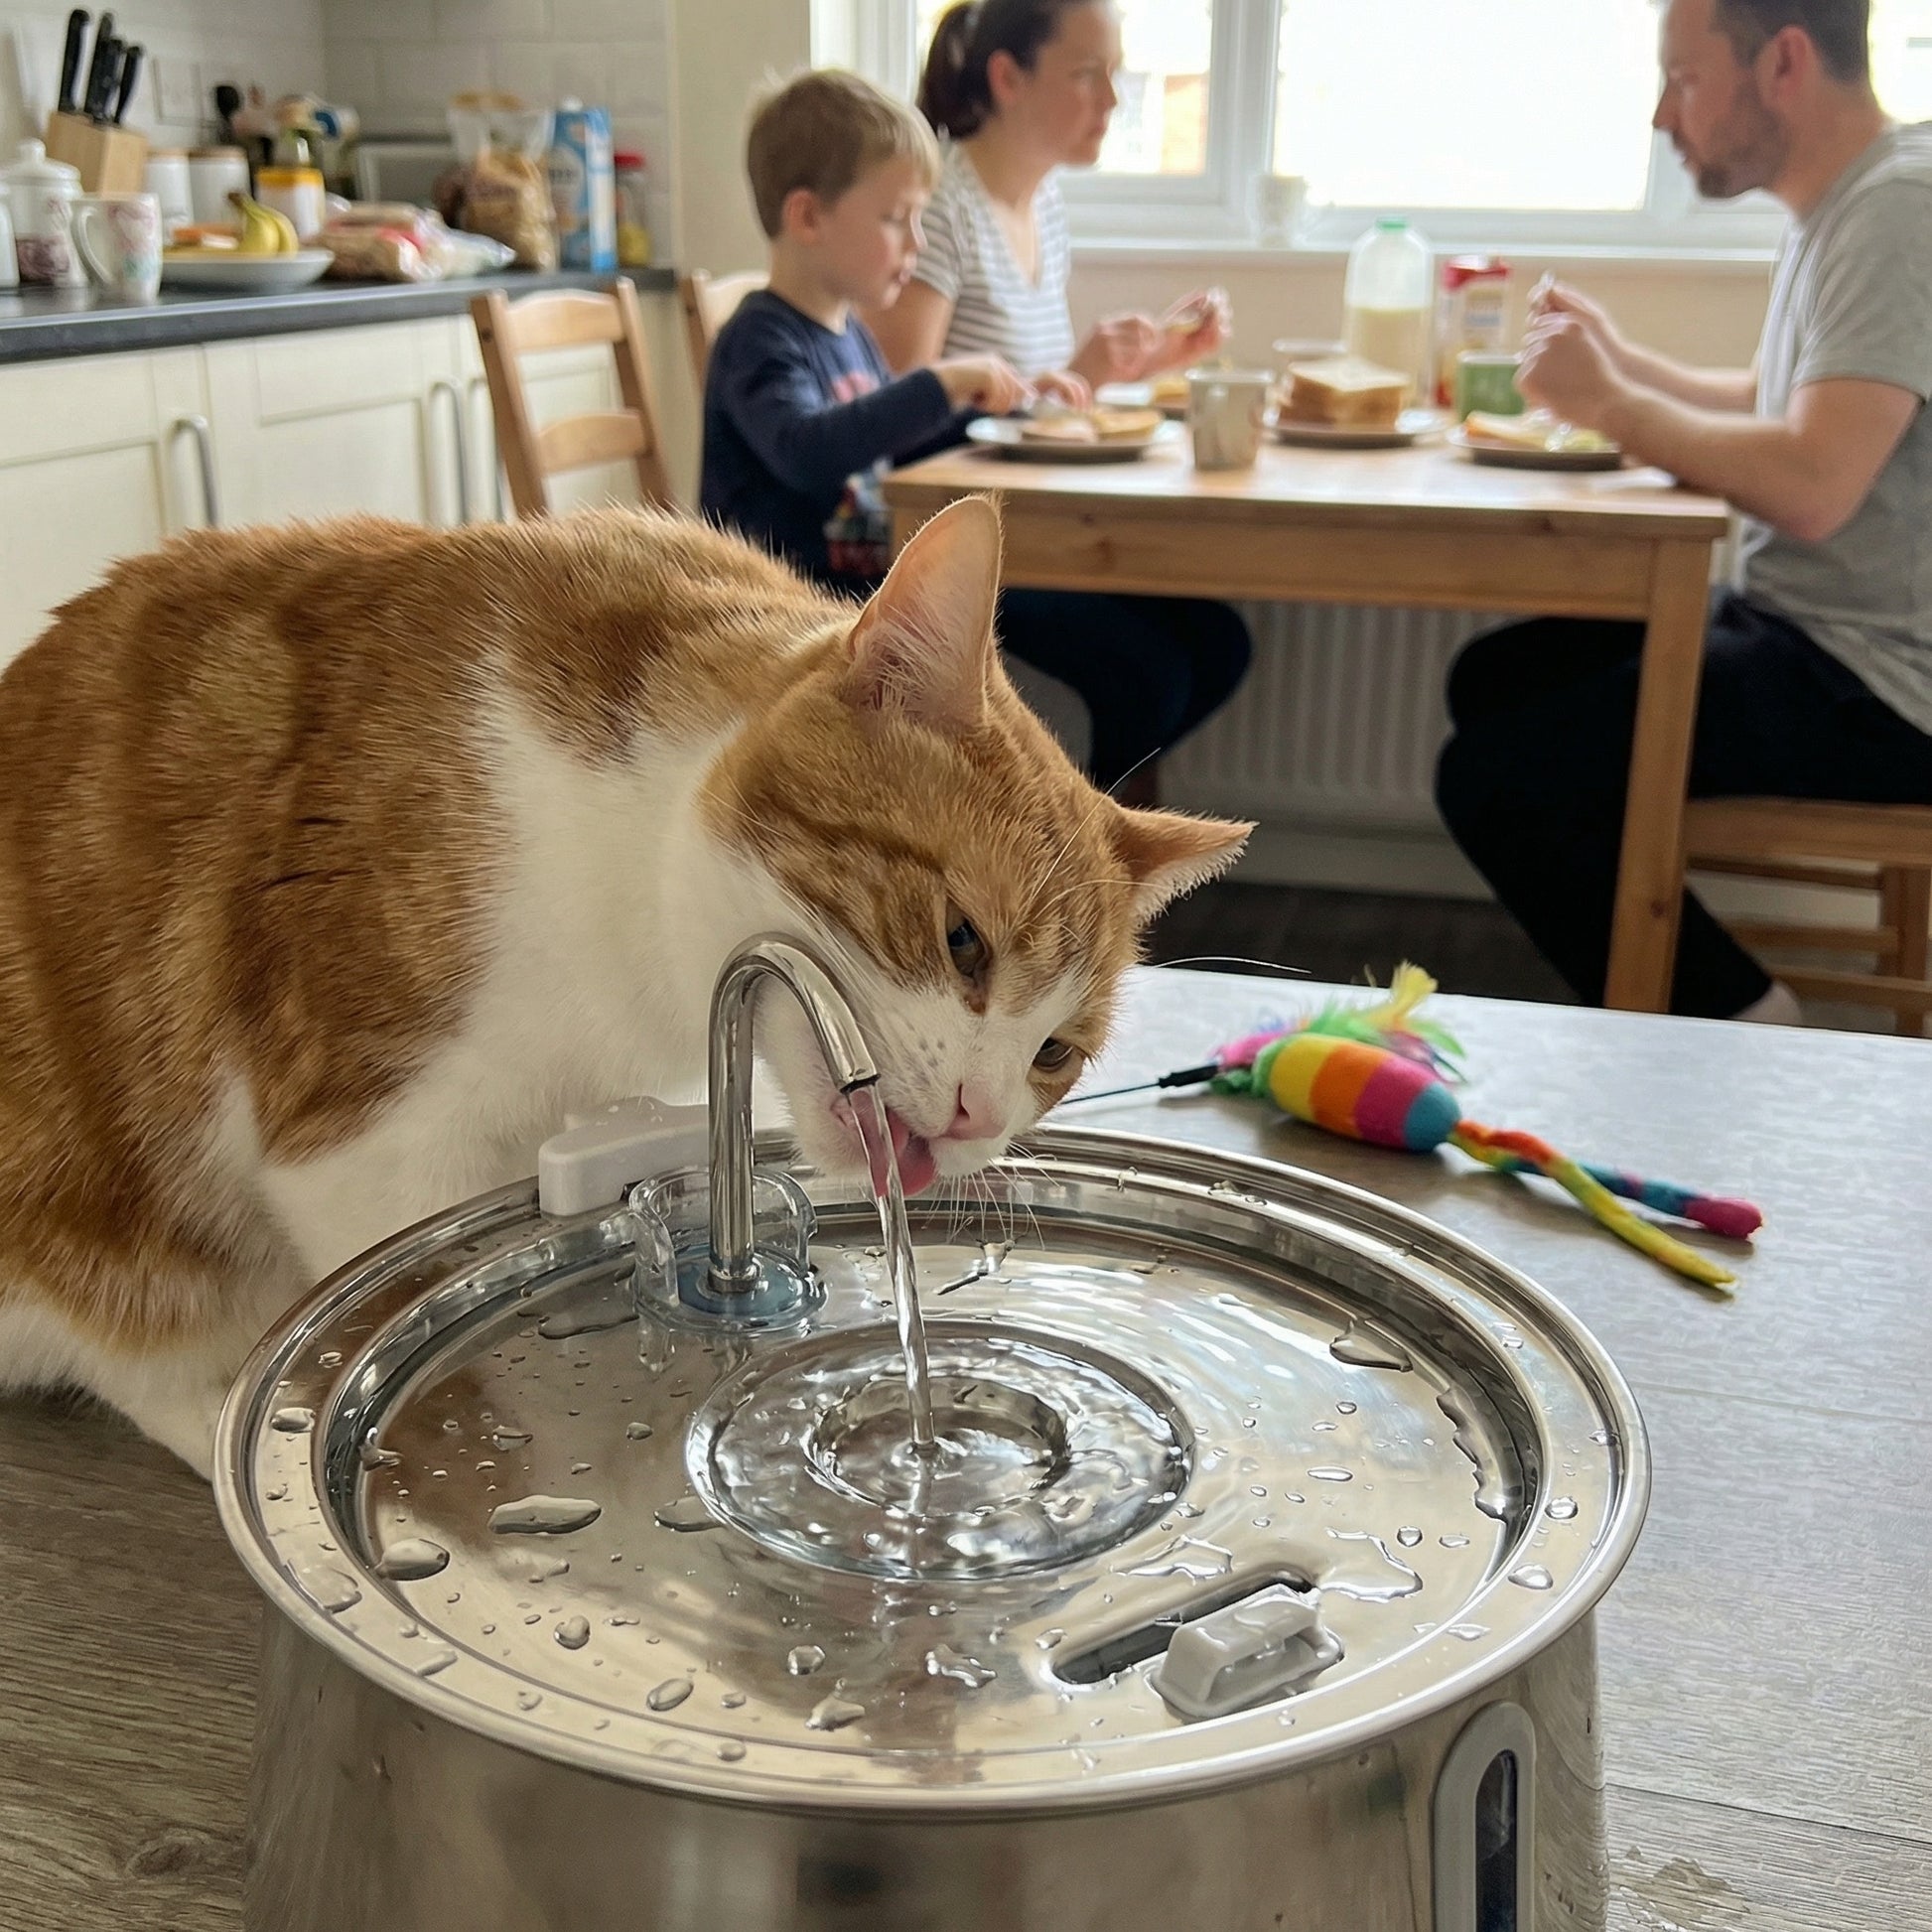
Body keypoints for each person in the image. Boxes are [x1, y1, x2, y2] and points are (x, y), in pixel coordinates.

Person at [1437, 0, 1932, 1023]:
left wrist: (1613, 404)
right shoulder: (1844, 204)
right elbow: (1774, 405)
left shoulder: (1897, 211)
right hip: (1810, 632)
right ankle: (1647, 958)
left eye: (1685, 78)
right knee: (1491, 679)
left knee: (1493, 779)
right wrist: (1620, 366)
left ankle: (1742, 1017)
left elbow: (1808, 480)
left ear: (1782, 64)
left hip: (1878, 682)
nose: (1665, 116)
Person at [866, 0, 1253, 797]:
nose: (1113, 99)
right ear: (1008, 78)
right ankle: (1092, 865)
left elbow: (1034, 401)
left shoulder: (1041, 205)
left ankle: (1077, 843)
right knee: (1146, 669)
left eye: (1114, 74)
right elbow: (898, 415)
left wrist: (1124, 371)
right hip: (959, 530)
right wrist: (1078, 369)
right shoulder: (942, 205)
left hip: (1036, 518)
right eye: (1088, 74)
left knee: (1216, 642)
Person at [700, 69, 1029, 592]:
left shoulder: (853, 336)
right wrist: (940, 382)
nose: (917, 242)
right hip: (785, 618)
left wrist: (1004, 411)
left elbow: (888, 447)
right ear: (808, 218)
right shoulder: (757, 341)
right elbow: (808, 452)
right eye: (897, 217)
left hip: (863, 600)